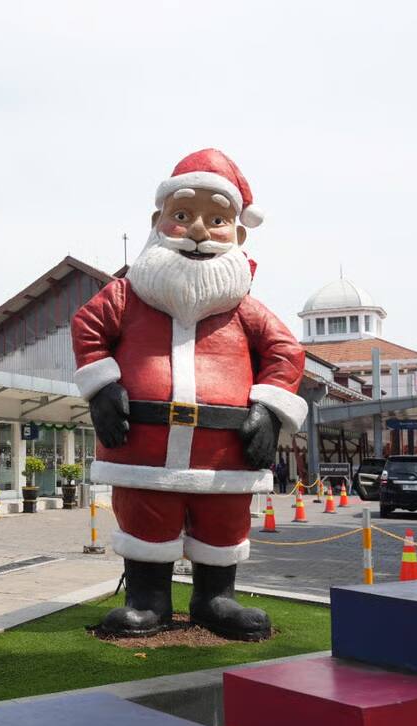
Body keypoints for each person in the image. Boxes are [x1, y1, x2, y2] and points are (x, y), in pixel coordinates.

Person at [72, 148, 306, 641]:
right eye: (182, 215)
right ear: (157, 223)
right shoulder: (125, 296)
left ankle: (215, 598)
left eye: (217, 220)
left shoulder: (245, 309)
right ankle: (147, 601)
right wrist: (102, 386)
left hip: (223, 455)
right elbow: (88, 327)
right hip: (143, 449)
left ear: (238, 236)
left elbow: (286, 352)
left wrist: (269, 409)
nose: (198, 229)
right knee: (145, 519)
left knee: (222, 523)